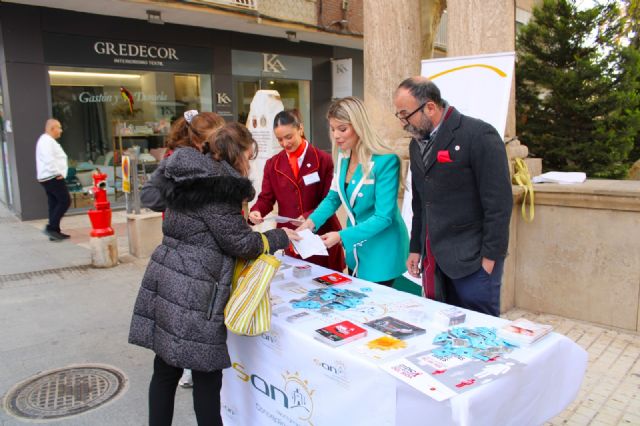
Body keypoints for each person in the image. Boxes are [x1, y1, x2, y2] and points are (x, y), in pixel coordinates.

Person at [128, 121, 299, 426]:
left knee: (165, 370)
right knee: (207, 378)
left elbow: (208, 225)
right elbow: (241, 244)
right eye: (250, 153)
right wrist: (280, 237)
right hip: (196, 289)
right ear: (241, 153)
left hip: (169, 276)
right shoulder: (219, 187)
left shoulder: (189, 173)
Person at [394, 76, 513, 317]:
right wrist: (415, 248)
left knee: (480, 332)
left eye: (405, 115)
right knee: (444, 331)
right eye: (399, 116)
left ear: (430, 107)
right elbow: (420, 202)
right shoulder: (416, 144)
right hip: (435, 262)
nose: (402, 123)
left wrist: (490, 259)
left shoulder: (478, 135)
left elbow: (499, 204)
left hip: (474, 262)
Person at [297, 97, 409, 286]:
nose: (336, 135)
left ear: (359, 126)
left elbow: (384, 217)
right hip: (356, 249)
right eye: (333, 129)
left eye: (342, 129)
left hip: (382, 248)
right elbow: (333, 198)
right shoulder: (342, 157)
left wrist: (341, 236)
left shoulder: (386, 161)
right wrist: (311, 222)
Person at [249, 110, 346, 272]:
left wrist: (309, 216)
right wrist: (257, 211)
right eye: (280, 139)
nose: (285, 143)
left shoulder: (323, 160)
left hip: (322, 234)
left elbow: (330, 199)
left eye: (289, 137)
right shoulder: (273, 164)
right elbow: (266, 198)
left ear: (300, 129)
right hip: (291, 235)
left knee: (328, 285)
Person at [140, 110, 225, 212]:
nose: (220, 145)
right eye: (214, 141)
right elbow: (148, 194)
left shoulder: (219, 155)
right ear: (197, 140)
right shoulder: (177, 158)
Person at [35, 119, 71, 241]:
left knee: (54, 203)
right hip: (52, 177)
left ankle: (54, 232)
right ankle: (51, 228)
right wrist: (57, 173)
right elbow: (48, 159)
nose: (61, 130)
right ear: (52, 129)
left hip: (48, 176)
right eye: (59, 128)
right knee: (65, 201)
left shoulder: (47, 140)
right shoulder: (46, 141)